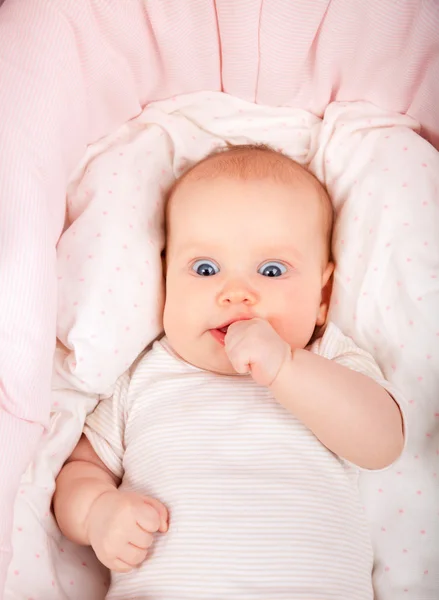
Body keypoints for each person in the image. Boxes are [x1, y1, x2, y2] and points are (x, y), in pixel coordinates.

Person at [53, 145, 405, 599]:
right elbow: (79, 471)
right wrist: (98, 510)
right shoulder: (142, 377)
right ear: (163, 281)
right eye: (205, 268)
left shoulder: (331, 362)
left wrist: (286, 367)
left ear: (323, 295)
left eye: (272, 270)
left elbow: (383, 443)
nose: (236, 293)